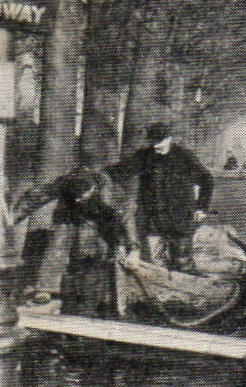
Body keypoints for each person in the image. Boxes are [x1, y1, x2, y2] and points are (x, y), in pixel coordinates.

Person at [11, 169, 128, 310]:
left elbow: (117, 220)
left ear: (92, 189)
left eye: (81, 197)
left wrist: (120, 244)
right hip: (67, 214)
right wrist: (13, 218)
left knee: (93, 249)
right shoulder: (63, 183)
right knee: (58, 242)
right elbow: (34, 198)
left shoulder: (107, 192)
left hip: (99, 218)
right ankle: (47, 287)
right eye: (75, 197)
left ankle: (93, 290)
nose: (78, 200)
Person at [105, 122, 214, 271]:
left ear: (169, 139)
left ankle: (187, 287)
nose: (156, 146)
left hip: (180, 218)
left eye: (159, 142)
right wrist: (99, 176)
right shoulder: (144, 156)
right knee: (153, 265)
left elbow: (207, 180)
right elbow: (120, 171)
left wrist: (201, 208)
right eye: (153, 142)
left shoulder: (184, 157)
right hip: (153, 219)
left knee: (182, 262)